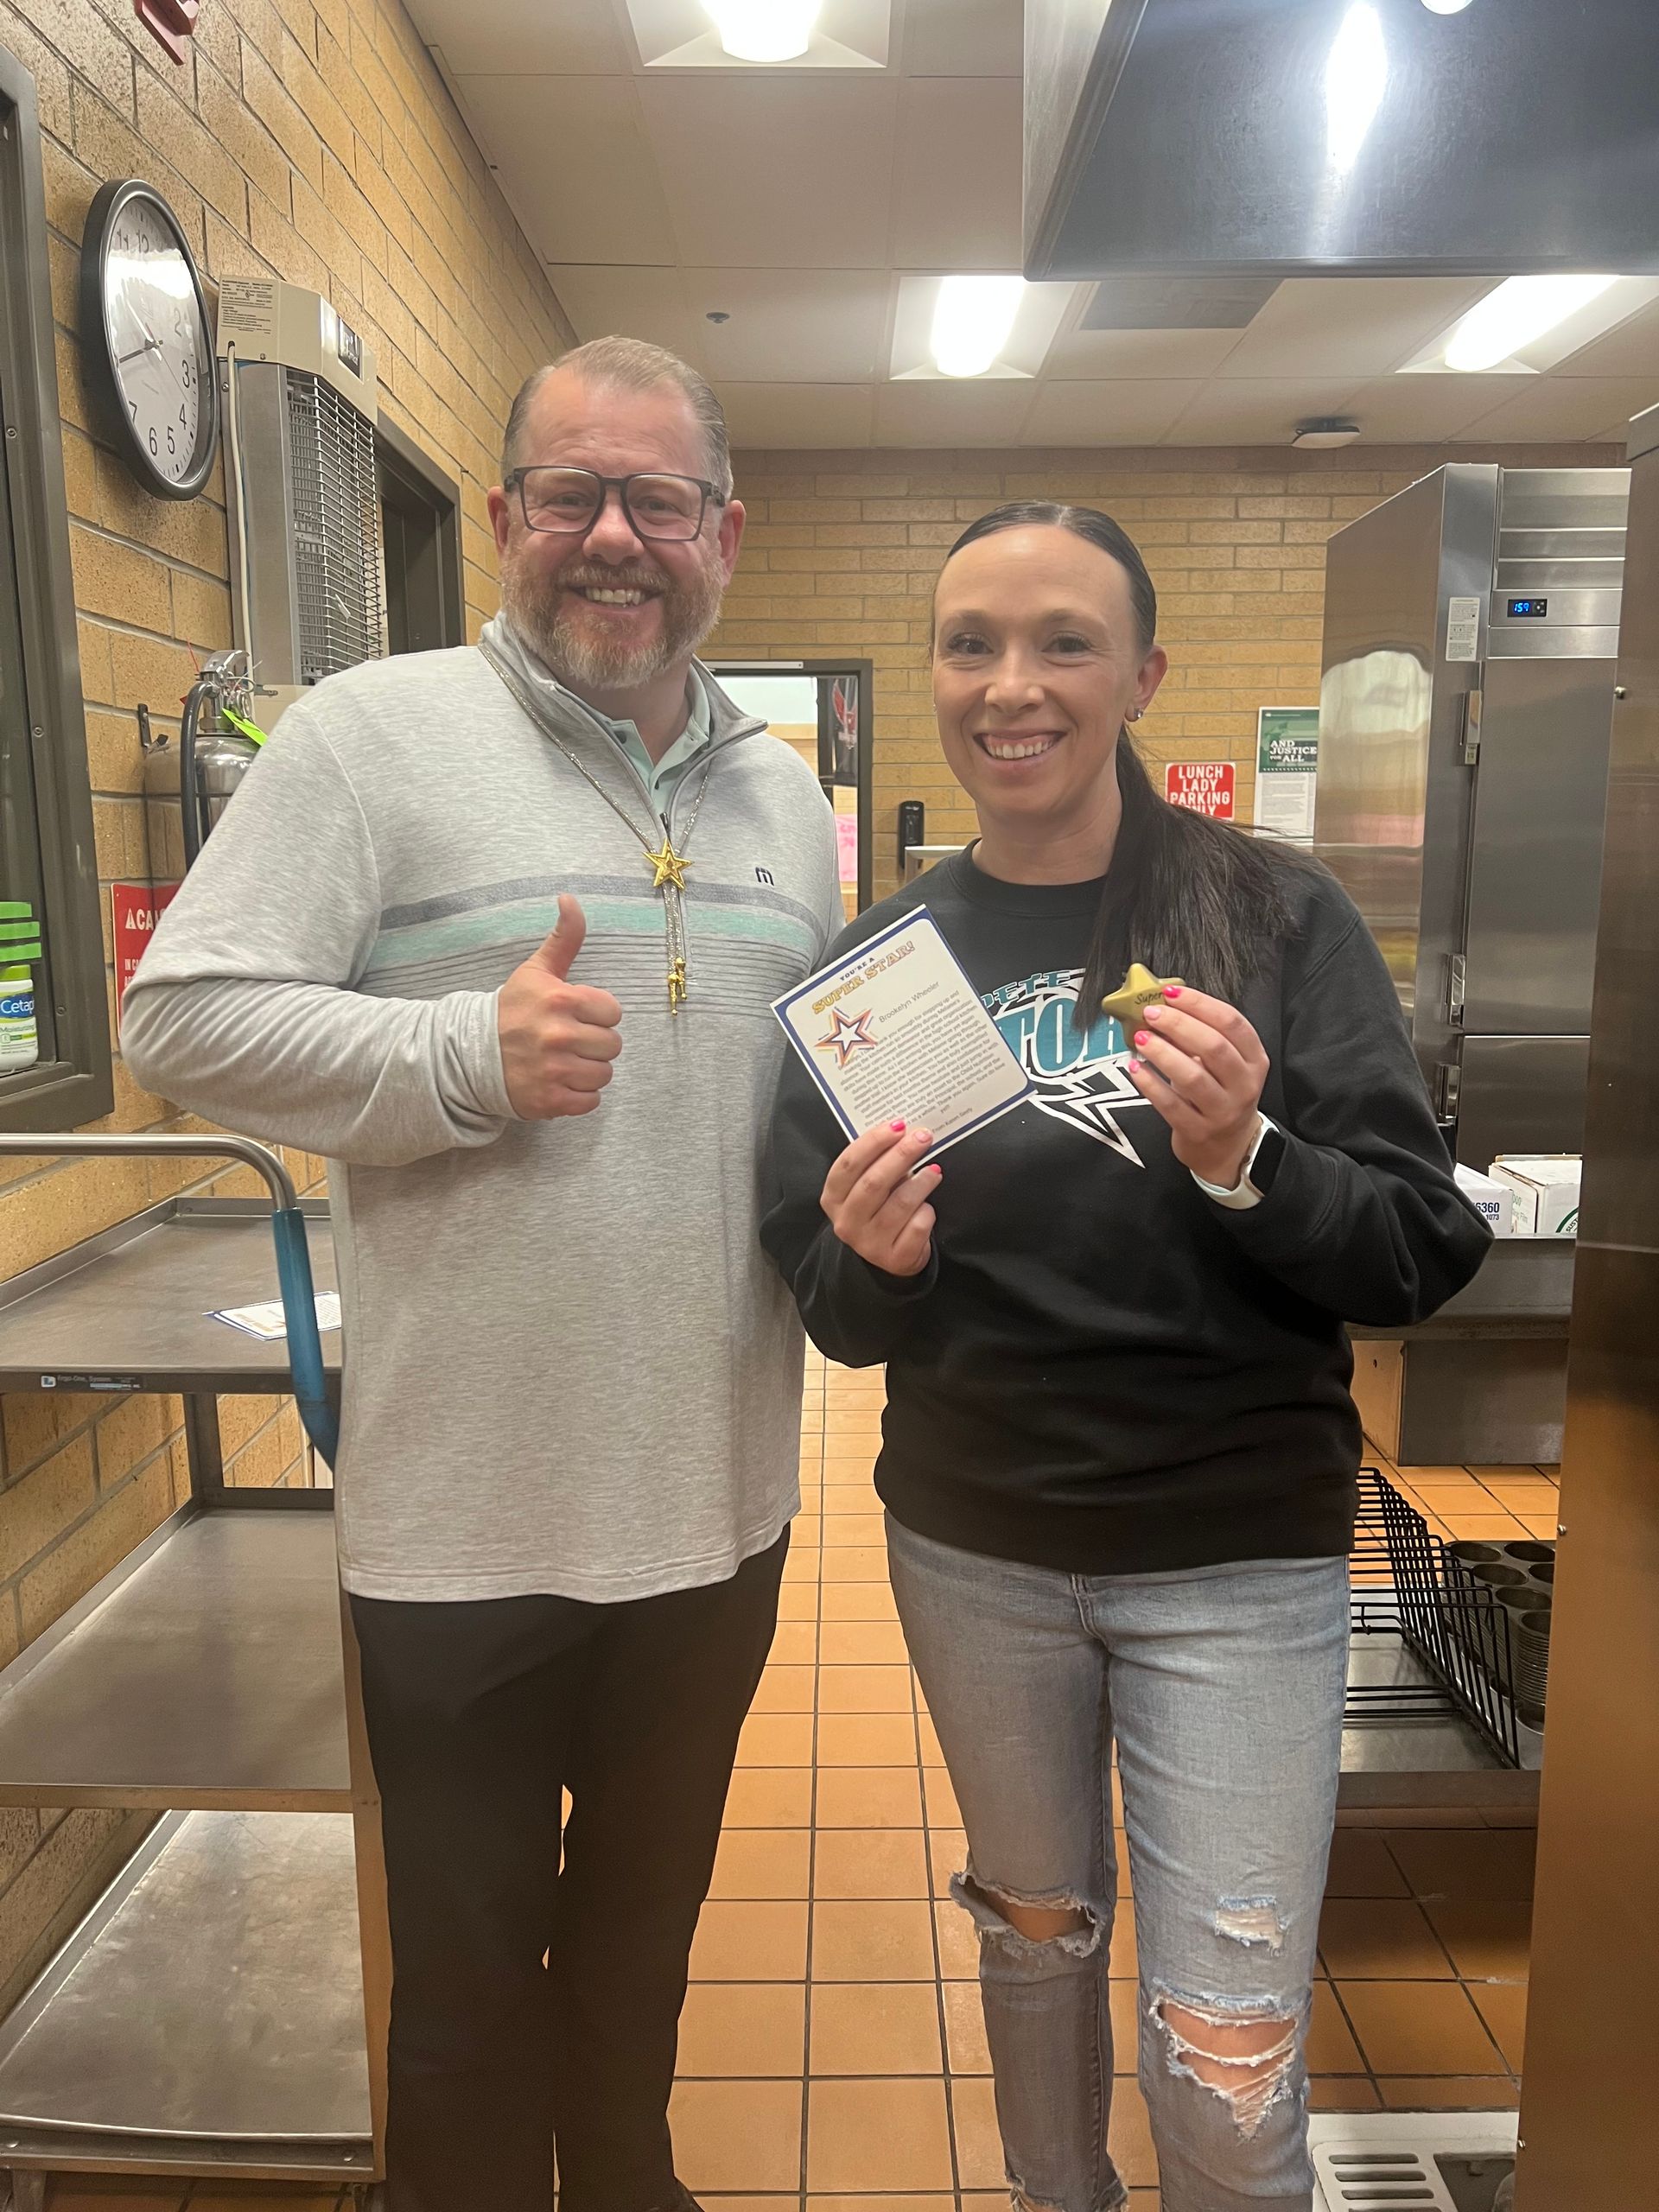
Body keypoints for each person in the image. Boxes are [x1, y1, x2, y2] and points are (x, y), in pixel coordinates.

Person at [123, 337, 843, 2212]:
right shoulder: (369, 738)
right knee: (459, 2005)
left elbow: (801, 1119)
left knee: (639, 1961)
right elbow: (180, 1016)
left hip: (717, 1514)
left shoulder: (789, 805)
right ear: (510, 515)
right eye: (572, 495)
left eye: (658, 500)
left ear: (724, 534)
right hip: (461, 1532)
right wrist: (460, 1056)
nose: (615, 537)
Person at [761, 503, 1491, 2212]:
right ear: (935, 674)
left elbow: (1417, 1246)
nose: (1011, 685)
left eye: (1064, 643)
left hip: (1239, 1557)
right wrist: (871, 1260)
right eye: (971, 645)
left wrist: (1251, 1156)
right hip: (977, 1549)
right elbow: (829, 1306)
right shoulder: (880, 971)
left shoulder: (1274, 918)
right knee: (1034, 1945)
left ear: (1143, 674)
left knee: (1228, 2064)